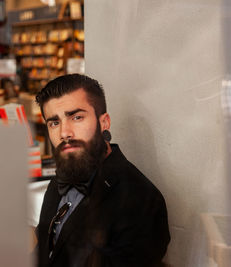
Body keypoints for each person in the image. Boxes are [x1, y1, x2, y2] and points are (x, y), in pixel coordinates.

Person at [35, 74, 170, 267]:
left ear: (104, 122)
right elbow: (45, 251)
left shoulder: (142, 201)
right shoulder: (59, 180)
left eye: (77, 117)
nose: (64, 132)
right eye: (54, 123)